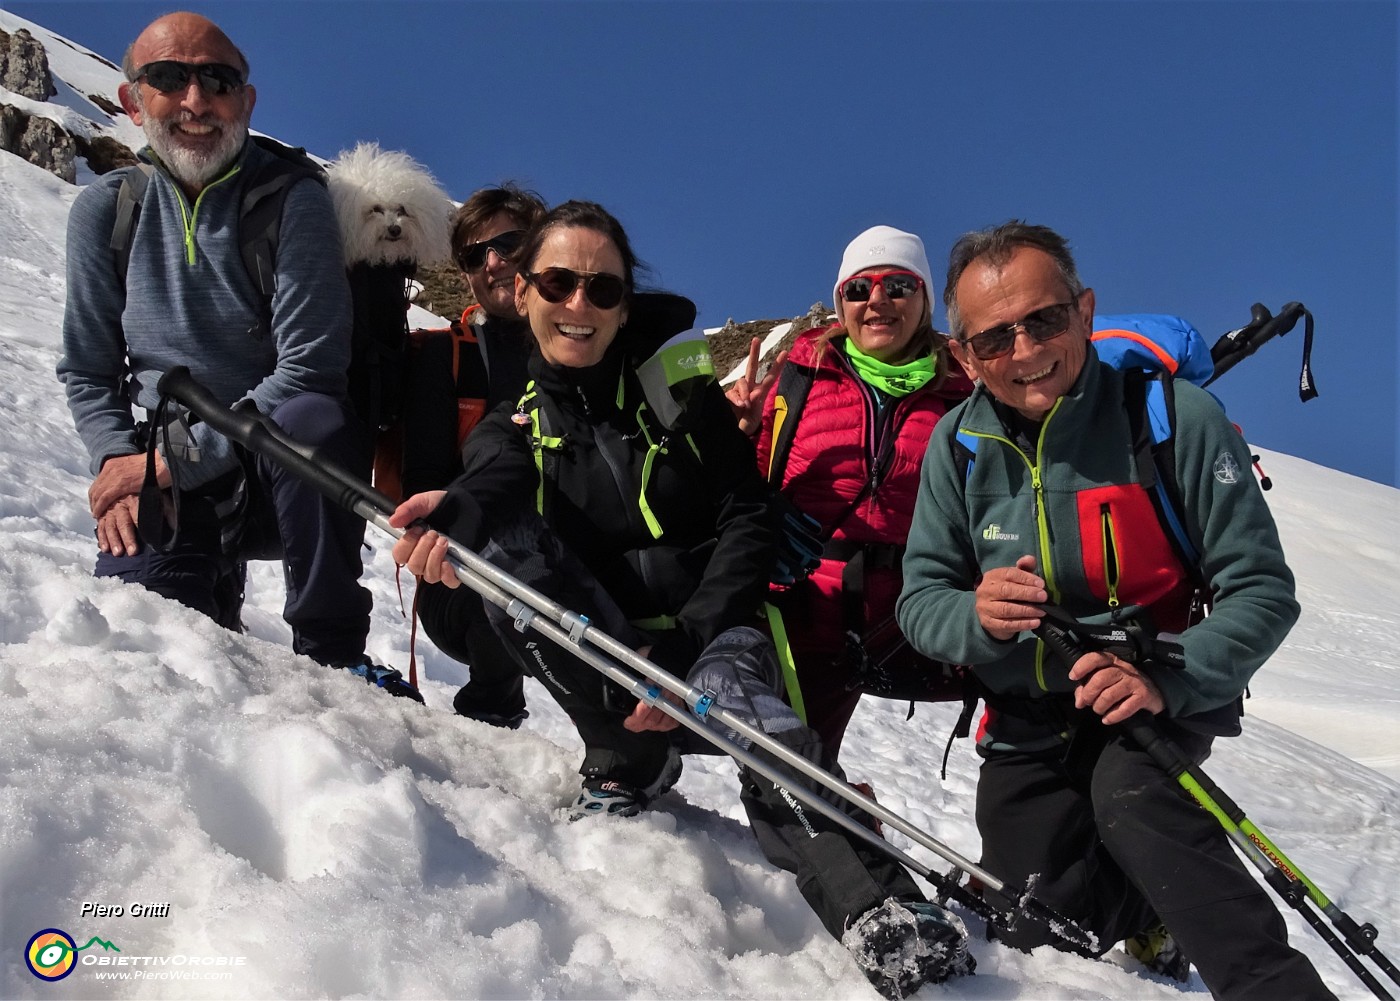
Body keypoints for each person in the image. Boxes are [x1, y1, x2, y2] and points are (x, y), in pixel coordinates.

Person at [390, 201, 974, 997]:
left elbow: (747, 513)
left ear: (626, 303)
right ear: (522, 292)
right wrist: (454, 512)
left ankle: (878, 906)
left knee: (753, 725)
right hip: (612, 651)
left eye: (602, 289)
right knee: (499, 553)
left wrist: (695, 639)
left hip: (715, 634)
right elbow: (490, 481)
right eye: (558, 283)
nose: (579, 305)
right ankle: (626, 755)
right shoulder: (515, 421)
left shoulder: (681, 393)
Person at [896, 221, 1335, 1000]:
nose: (1025, 351)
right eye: (995, 338)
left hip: (1160, 692)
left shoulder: (1174, 418)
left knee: (1135, 802)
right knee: (1024, 926)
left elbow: (1262, 588)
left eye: (1045, 319)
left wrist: (1172, 675)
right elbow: (920, 599)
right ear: (965, 355)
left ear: (1085, 310)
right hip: (1030, 714)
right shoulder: (956, 446)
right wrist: (978, 614)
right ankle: (1142, 899)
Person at [56, 12, 416, 698]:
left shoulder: (291, 199)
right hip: (164, 462)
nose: (196, 102)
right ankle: (205, 584)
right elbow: (88, 367)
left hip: (278, 461)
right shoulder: (107, 210)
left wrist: (166, 463)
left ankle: (331, 649)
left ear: (246, 101)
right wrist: (114, 463)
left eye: (218, 80)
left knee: (314, 417)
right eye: (168, 79)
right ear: (134, 100)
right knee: (155, 642)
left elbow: (309, 368)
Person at [742, 225, 971, 756]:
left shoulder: (962, 393)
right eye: (859, 288)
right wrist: (740, 438)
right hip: (796, 608)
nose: (878, 302)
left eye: (899, 285)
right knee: (785, 765)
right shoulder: (798, 375)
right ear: (841, 301)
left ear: (925, 300)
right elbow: (749, 489)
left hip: (904, 623)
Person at [390, 184, 547, 727]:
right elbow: (424, 476)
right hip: (462, 586)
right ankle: (492, 709)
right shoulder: (443, 356)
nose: (495, 262)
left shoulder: (586, 348)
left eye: (508, 243)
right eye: (475, 255)